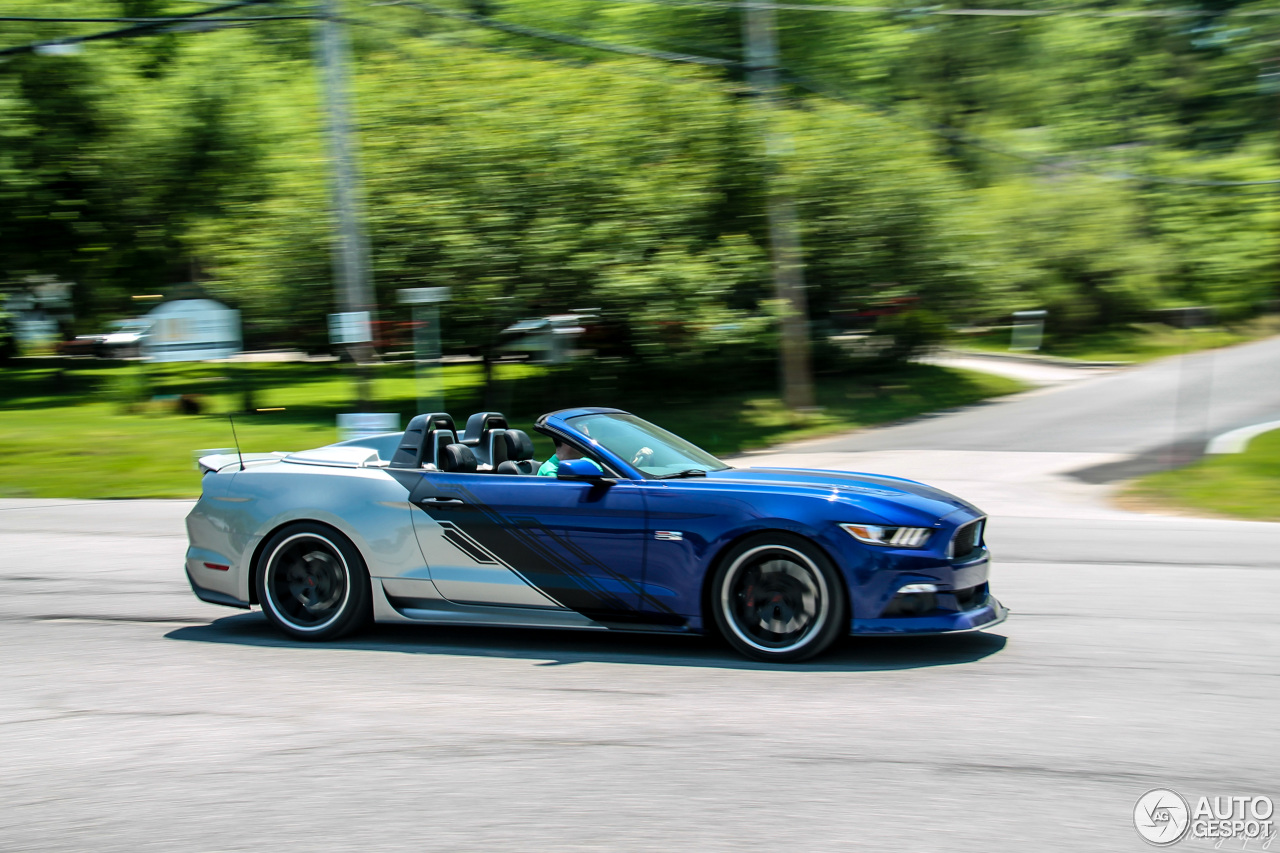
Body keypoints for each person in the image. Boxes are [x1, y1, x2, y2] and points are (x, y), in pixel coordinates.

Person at [537, 438, 604, 477]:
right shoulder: (550, 471)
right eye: (581, 440)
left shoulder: (589, 462)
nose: (589, 444)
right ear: (566, 440)